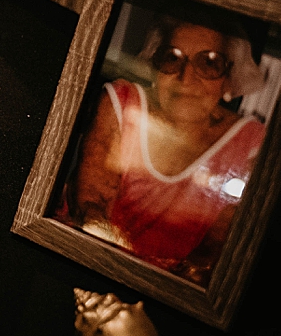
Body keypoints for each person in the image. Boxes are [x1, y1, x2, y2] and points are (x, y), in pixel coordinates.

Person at [63, 16, 267, 284]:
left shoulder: (250, 141)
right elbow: (90, 208)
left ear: (229, 79)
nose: (185, 78)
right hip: (85, 264)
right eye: (172, 58)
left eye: (209, 63)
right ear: (155, 66)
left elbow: (214, 252)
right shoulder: (122, 102)